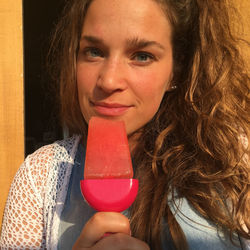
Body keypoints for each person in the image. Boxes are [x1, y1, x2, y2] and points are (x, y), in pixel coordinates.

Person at [0, 0, 249, 249]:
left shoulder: (235, 161)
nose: (108, 81)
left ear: (177, 69)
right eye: (94, 51)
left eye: (142, 56)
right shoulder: (39, 179)